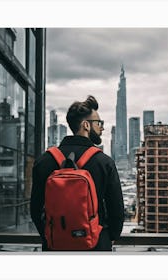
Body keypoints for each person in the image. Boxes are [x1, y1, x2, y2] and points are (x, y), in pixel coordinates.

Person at [30, 95, 124, 251]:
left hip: (55, 246)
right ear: (86, 125)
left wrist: (50, 235)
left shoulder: (44, 161)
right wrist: (108, 238)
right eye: (98, 123)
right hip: (95, 245)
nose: (102, 128)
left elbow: (35, 209)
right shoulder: (104, 162)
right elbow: (117, 211)